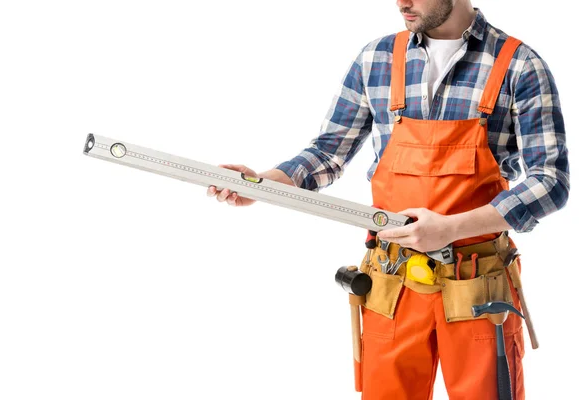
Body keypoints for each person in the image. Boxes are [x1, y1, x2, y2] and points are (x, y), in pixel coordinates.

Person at [207, 1, 570, 399]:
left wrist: (449, 229)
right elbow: (328, 152)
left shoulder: (519, 64)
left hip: (477, 283)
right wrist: (264, 182)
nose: (402, 2)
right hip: (391, 281)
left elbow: (550, 181)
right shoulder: (378, 58)